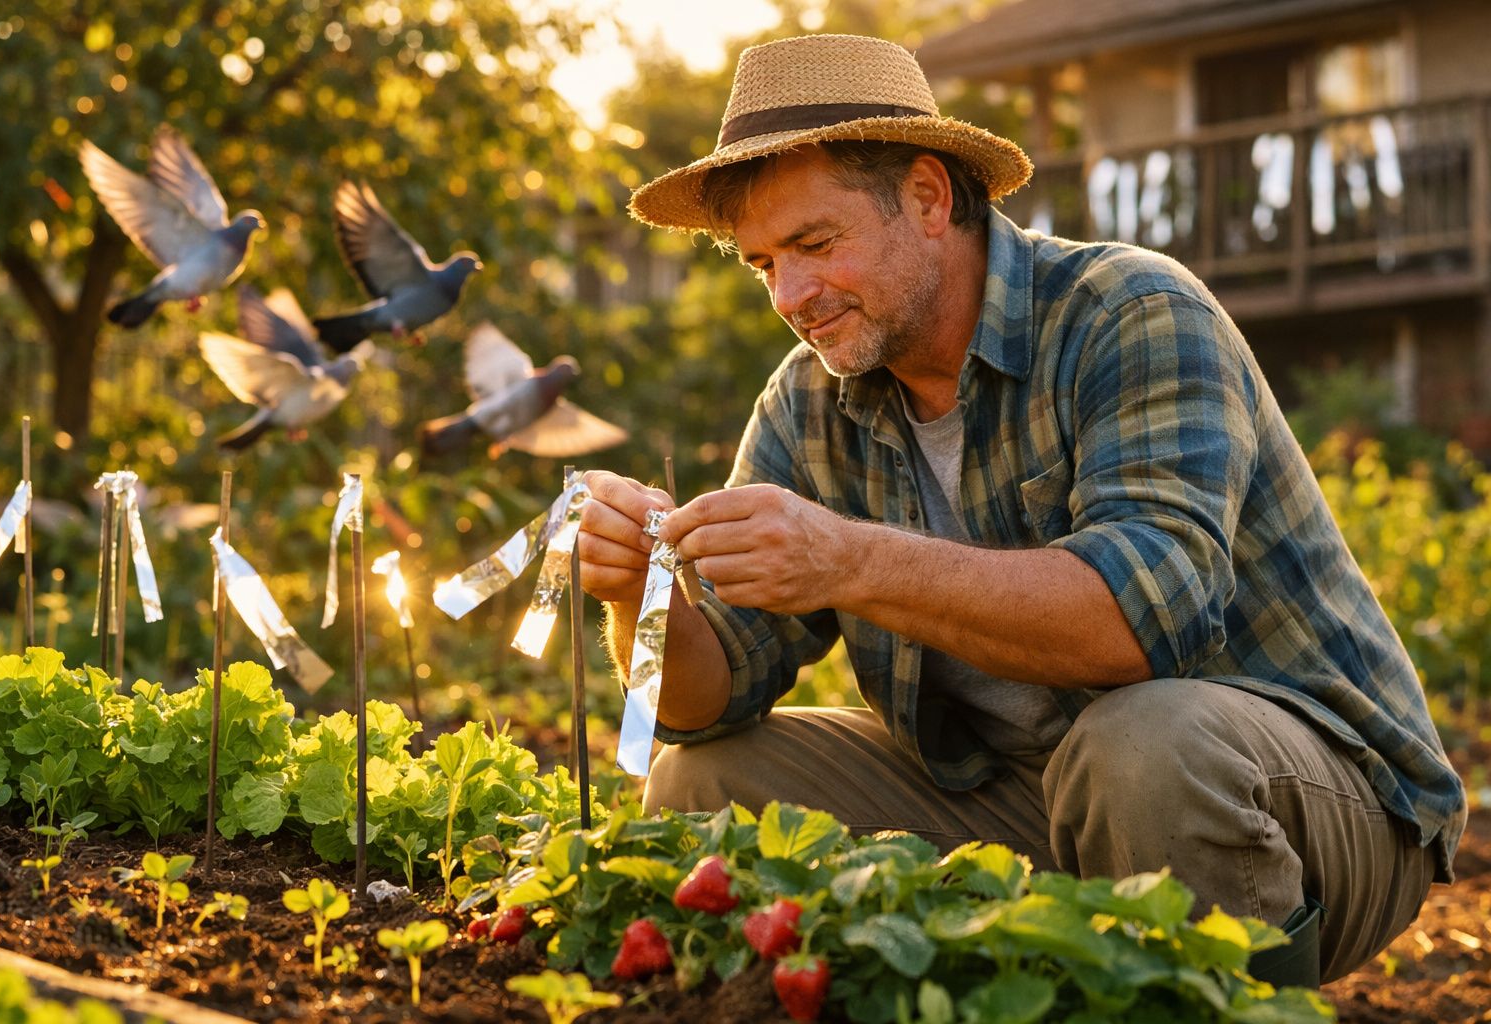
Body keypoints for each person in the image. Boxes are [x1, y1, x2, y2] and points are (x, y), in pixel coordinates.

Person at [575, 33, 1466, 984]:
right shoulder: (807, 402)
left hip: (1315, 801)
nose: (789, 296)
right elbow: (707, 704)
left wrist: (847, 560)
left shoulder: (1131, 311)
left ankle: (1230, 1001)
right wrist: (638, 594)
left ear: (927, 197)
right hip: (1028, 796)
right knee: (704, 781)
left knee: (1140, 745)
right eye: (762, 265)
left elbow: (1143, 622)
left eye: (814, 244)